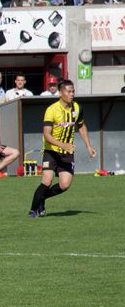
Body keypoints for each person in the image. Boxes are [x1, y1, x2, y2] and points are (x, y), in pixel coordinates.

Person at [29, 80, 97, 218]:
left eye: (73, 91)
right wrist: (62, 145)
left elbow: (81, 126)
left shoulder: (77, 107)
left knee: (65, 185)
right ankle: (33, 210)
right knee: (46, 181)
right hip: (51, 151)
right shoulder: (52, 110)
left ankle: (42, 198)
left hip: (67, 153)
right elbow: (47, 134)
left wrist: (88, 146)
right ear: (60, 93)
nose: (72, 94)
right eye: (69, 91)